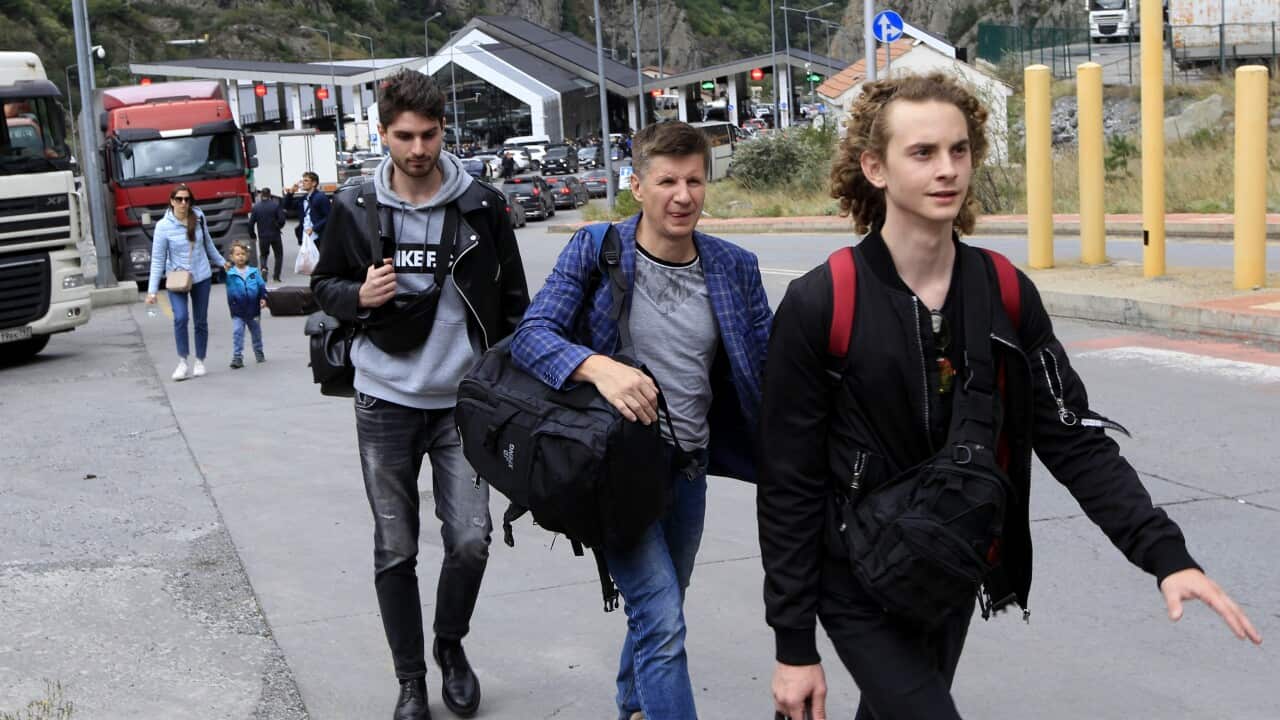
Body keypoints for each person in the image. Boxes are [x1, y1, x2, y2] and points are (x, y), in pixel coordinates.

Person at [757, 72, 1262, 720]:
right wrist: (794, 647)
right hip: (850, 572)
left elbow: (1075, 441)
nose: (948, 169)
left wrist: (1166, 557)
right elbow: (788, 483)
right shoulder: (822, 302)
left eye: (959, 150)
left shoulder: (1004, 291)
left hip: (949, 560)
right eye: (923, 153)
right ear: (874, 167)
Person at [510, 121, 772, 720]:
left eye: (694, 181)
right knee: (659, 616)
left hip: (688, 470)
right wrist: (597, 367)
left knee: (664, 604)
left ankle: (632, 703)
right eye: (667, 181)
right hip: (614, 471)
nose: (682, 196)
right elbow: (531, 336)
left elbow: (773, 361)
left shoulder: (733, 267)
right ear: (637, 186)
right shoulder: (597, 248)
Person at [311, 69, 530, 720]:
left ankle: (450, 647)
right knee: (395, 547)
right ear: (383, 134)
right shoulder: (353, 206)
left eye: (429, 135)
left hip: (463, 402)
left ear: (444, 131)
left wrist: (515, 386)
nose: (417, 150)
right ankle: (411, 681)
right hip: (384, 400)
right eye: (403, 136)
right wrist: (358, 296)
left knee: (470, 540)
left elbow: (514, 303)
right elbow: (324, 286)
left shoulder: (481, 206)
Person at [145, 184, 229, 382]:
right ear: (172, 201)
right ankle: (182, 361)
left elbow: (208, 243)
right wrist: (152, 291)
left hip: (201, 276)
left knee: (200, 321)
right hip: (177, 279)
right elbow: (157, 260)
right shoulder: (163, 226)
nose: (183, 203)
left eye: (187, 199)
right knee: (180, 318)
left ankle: (200, 360)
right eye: (179, 199)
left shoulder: (199, 218)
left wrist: (222, 262)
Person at [224, 240, 268, 368]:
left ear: (247, 255)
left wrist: (263, 298)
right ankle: (237, 357)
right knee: (237, 331)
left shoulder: (254, 272)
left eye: (243, 254)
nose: (240, 256)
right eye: (237, 254)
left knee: (256, 332)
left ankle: (258, 351)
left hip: (253, 309)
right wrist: (224, 269)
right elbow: (221, 279)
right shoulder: (230, 274)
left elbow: (261, 286)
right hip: (237, 310)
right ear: (232, 257)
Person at [284, 171, 331, 247]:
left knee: (319, 258)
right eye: (303, 181)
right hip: (306, 238)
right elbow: (286, 206)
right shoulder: (304, 198)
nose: (303, 183)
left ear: (314, 183)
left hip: (318, 238)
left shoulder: (321, 197)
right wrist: (290, 193)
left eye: (306, 180)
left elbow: (329, 216)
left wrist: (314, 228)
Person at [249, 188, 286, 282]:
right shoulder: (275, 205)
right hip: (275, 235)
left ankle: (264, 268)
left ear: (261, 195)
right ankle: (276, 277)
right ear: (270, 195)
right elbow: (282, 220)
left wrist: (253, 234)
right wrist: (278, 226)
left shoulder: (256, 207)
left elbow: (251, 223)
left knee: (263, 255)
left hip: (263, 236)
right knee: (279, 255)